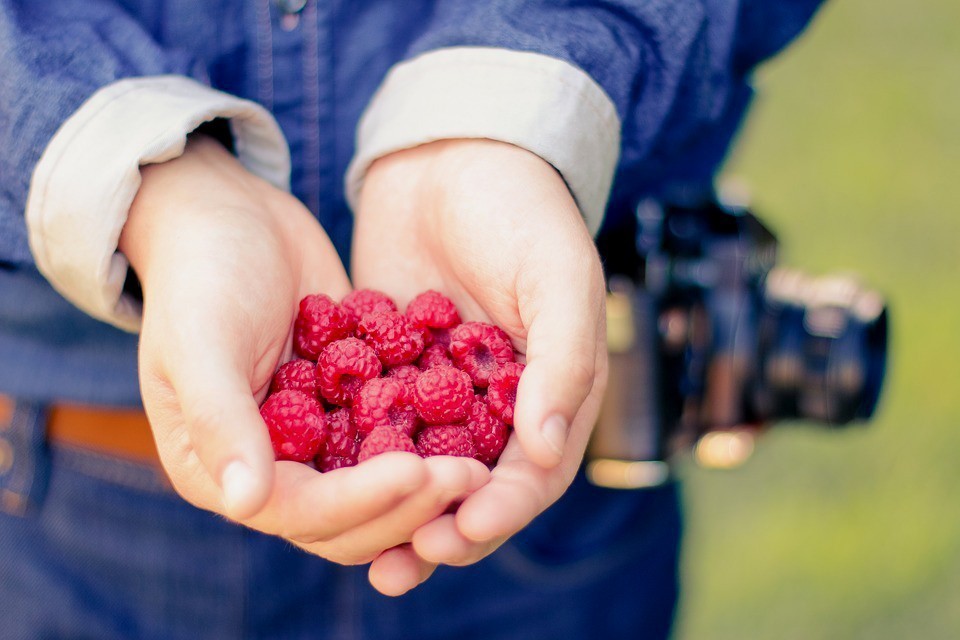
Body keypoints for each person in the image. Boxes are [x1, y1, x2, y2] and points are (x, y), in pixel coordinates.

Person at [0, 1, 825, 637]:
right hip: (67, 503)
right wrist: (148, 179)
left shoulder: (424, 375)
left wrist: (511, 108)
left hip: (560, 498)